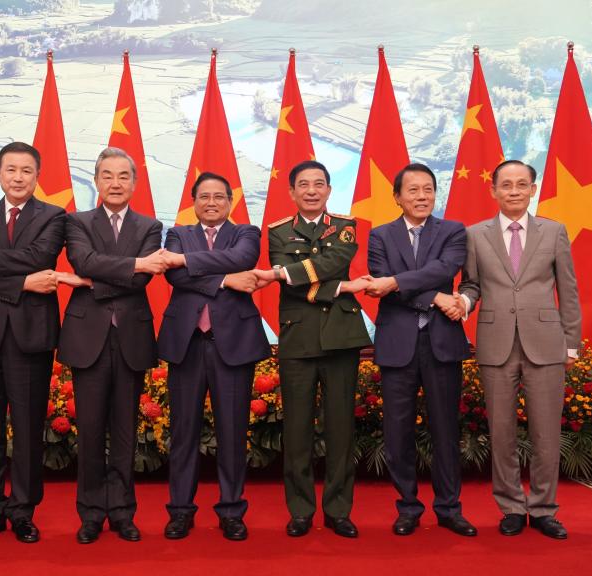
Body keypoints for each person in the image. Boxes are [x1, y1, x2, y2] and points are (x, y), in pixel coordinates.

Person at [0, 142, 75, 543]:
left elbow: (39, 257)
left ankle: (23, 511)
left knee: (26, 430)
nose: (18, 177)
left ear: (37, 176)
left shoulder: (54, 216)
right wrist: (23, 283)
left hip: (30, 336)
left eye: (26, 170)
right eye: (11, 170)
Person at [457, 160, 582, 540]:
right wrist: (463, 302)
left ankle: (544, 509)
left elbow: (568, 290)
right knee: (501, 432)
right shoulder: (474, 235)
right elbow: (471, 285)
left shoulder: (554, 232)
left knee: (546, 433)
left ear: (533, 189)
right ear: (493, 190)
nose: (514, 191)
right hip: (496, 344)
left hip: (546, 344)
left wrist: (571, 343)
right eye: (506, 185)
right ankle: (511, 507)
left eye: (521, 184)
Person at [252, 160, 371, 538]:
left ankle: (338, 510)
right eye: (303, 184)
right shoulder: (278, 231)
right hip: (298, 339)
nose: (311, 191)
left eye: (319, 184)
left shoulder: (346, 226)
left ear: (329, 190)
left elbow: (334, 261)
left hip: (341, 337)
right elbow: (291, 281)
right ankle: (301, 510)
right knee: (297, 430)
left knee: (340, 429)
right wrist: (342, 288)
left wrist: (287, 273)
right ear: (291, 192)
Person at [57, 147, 165, 544]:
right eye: (108, 175)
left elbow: (141, 280)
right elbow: (83, 261)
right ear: (96, 181)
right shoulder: (77, 221)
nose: (115, 183)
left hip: (131, 338)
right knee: (89, 431)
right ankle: (90, 513)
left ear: (134, 183)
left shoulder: (150, 226)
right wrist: (132, 264)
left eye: (123, 176)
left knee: (124, 431)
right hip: (88, 338)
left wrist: (91, 282)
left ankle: (121, 512)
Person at [362, 163, 476, 537]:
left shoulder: (453, 231)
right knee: (398, 433)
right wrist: (436, 297)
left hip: (442, 343)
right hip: (398, 344)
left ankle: (449, 508)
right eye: (413, 190)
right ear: (397, 197)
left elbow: (442, 270)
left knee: (446, 430)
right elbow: (380, 285)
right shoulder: (380, 235)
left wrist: (396, 282)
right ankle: (408, 507)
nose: (422, 196)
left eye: (428, 189)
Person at [157, 172, 270, 541]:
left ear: (230, 201)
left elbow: (242, 258)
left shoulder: (246, 233)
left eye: (218, 196)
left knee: (233, 432)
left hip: (233, 343)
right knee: (183, 432)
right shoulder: (177, 234)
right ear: (193, 201)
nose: (211, 202)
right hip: (187, 343)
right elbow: (175, 277)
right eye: (203, 196)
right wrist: (225, 280)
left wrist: (187, 262)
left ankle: (232, 511)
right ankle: (180, 511)